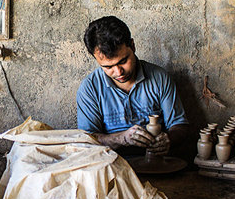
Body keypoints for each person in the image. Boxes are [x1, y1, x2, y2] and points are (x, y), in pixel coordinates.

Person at [77, 16, 188, 156]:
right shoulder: (90, 88)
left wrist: (169, 139)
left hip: (156, 163)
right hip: (112, 166)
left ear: (133, 46)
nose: (118, 72)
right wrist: (122, 138)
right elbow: (87, 140)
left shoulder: (159, 77)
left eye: (123, 61)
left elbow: (180, 126)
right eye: (108, 67)